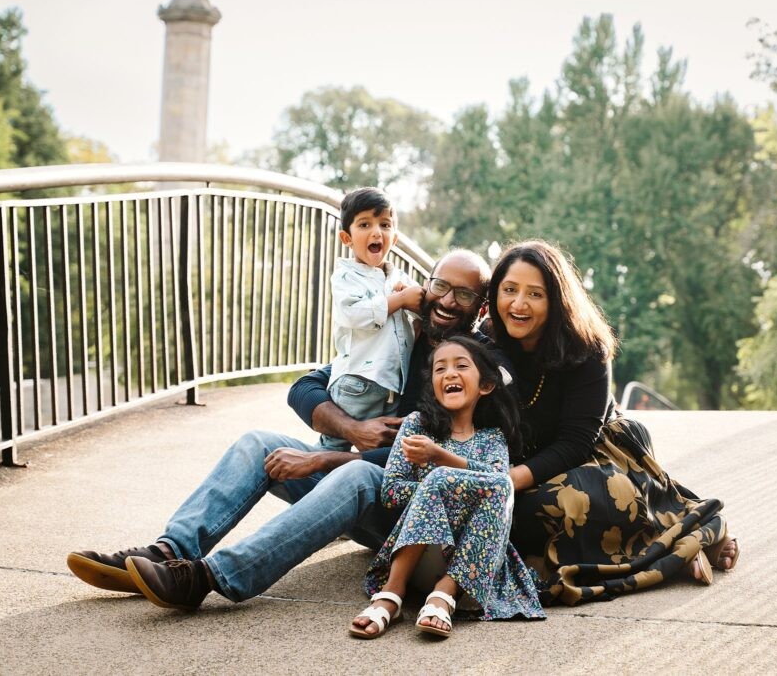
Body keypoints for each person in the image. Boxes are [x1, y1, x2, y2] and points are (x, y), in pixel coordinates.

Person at [65, 248, 496, 611]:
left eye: (463, 293)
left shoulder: (474, 366)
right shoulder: (399, 338)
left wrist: (327, 456)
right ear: (426, 285)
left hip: (408, 515)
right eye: (440, 285)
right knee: (259, 444)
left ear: (480, 306)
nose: (447, 300)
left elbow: (438, 458)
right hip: (356, 486)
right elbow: (305, 387)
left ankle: (208, 578)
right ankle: (170, 551)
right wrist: (355, 427)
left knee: (357, 473)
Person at [489, 240, 740, 605]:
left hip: (594, 455)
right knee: (515, 517)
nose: (518, 304)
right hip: (526, 460)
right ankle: (673, 553)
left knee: (567, 504)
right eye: (509, 290)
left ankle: (686, 543)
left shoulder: (586, 347)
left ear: (556, 300)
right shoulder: (485, 342)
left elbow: (575, 441)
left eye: (535, 294)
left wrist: (510, 480)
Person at [350, 337, 544, 639]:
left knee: (500, 482)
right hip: (420, 554)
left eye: (461, 366)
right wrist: (441, 489)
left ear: (486, 385)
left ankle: (445, 594)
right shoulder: (417, 425)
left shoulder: (493, 437)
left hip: (471, 565)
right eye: (440, 369)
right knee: (439, 480)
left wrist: (440, 459)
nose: (449, 374)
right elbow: (391, 492)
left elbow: (498, 483)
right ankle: (392, 592)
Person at [321, 187, 422, 449]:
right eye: (365, 224)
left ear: (395, 238)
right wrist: (399, 300)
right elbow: (353, 314)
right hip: (357, 382)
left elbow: (421, 301)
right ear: (347, 238)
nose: (377, 232)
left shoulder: (399, 278)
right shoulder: (345, 277)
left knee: (386, 448)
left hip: (391, 385)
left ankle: (363, 484)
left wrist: (415, 302)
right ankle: (316, 479)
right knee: (335, 445)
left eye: (385, 225)